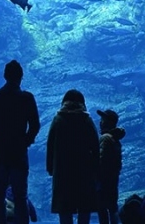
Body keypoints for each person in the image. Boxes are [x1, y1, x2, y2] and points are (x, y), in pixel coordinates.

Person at [0, 60, 40, 224]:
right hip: (18, 155)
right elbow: (35, 125)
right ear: (21, 77)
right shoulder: (27, 98)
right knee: (20, 196)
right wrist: (26, 142)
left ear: (5, 76)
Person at [47, 89, 99, 224]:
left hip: (62, 171)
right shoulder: (86, 120)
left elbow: (50, 146)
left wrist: (50, 167)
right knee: (84, 207)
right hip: (84, 171)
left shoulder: (58, 120)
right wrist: (96, 168)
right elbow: (95, 146)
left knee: (64, 208)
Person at [98, 109, 125, 224]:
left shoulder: (105, 138)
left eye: (103, 120)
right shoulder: (115, 139)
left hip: (103, 180)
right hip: (113, 179)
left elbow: (101, 160)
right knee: (113, 207)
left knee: (102, 208)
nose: (101, 122)